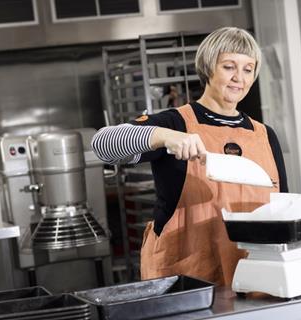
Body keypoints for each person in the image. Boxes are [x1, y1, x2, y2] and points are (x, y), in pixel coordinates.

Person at [92, 27, 288, 286]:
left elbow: (284, 211)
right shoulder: (176, 123)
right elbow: (102, 145)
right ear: (208, 68)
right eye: (229, 66)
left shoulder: (264, 135)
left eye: (248, 69)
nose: (238, 78)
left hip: (254, 277)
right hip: (188, 280)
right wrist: (166, 137)